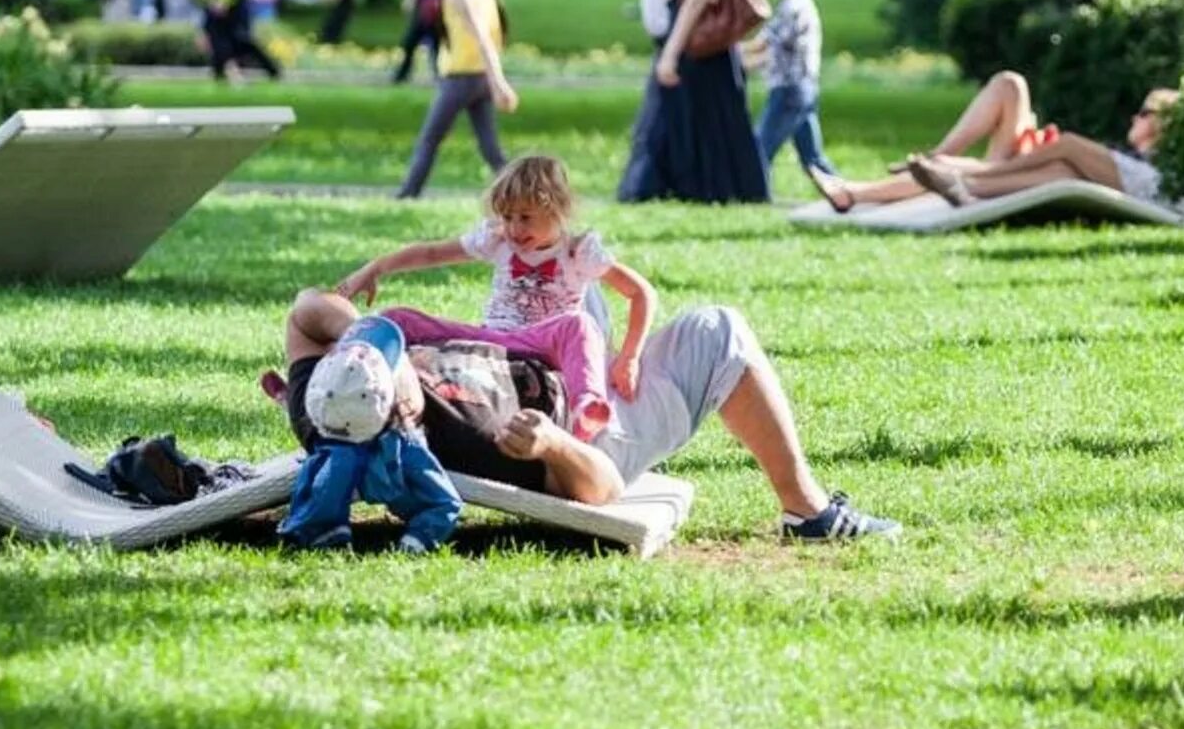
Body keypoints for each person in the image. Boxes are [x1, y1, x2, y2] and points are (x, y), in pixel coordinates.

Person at [275, 286, 900, 541]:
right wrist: (550, 444)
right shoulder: (445, 449)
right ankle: (808, 511)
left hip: (557, 361)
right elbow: (598, 486)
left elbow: (305, 310)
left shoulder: (325, 396)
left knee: (583, 286)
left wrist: (372, 339)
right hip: (596, 431)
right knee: (719, 330)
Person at [339, 155, 654, 444]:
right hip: (492, 337)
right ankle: (345, 371)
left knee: (581, 325)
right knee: (397, 318)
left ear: (557, 209)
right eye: (508, 216)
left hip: (543, 344)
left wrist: (629, 358)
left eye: (526, 217)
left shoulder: (578, 251)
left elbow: (640, 293)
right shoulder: (497, 240)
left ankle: (587, 408)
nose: (515, 228)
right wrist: (375, 268)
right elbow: (432, 252)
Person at [805, 72, 1178, 212]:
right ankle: (941, 158)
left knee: (1066, 151)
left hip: (1038, 171)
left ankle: (854, 192)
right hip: (1029, 165)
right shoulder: (1123, 158)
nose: (1135, 116)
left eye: (1146, 112)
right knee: (1010, 85)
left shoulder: (1157, 164)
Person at [617, 0, 770, 205]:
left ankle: (716, 187)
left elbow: (695, 2)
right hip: (699, 49)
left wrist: (671, 53)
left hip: (699, 49)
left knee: (707, 119)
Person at [277, 315, 461, 554]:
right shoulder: (406, 447)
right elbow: (444, 502)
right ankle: (416, 536)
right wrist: (420, 537)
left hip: (344, 447)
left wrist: (314, 528)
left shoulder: (329, 455)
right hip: (396, 469)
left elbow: (312, 497)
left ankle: (328, 532)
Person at [394, 0, 516, 198]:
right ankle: (520, 191)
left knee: (429, 140)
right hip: (480, 78)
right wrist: (494, 80)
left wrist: (500, 83)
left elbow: (484, 39)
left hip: (460, 78)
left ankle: (408, 193)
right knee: (490, 148)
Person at [749, 0, 838, 178]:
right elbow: (774, 52)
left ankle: (754, 196)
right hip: (803, 88)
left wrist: (726, 51)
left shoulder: (792, 7)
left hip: (789, 90)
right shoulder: (800, 4)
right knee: (812, 157)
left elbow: (762, 45)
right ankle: (845, 194)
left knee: (760, 149)